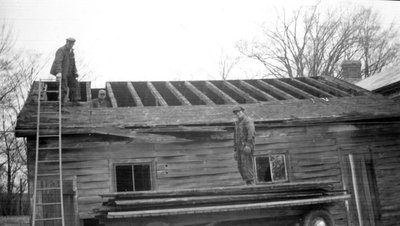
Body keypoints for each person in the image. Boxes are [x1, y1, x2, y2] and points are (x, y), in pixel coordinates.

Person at [50, 37, 80, 103]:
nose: (71, 45)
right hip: (63, 73)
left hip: (70, 73)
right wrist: (58, 72)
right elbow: (58, 61)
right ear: (67, 43)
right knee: (63, 88)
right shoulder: (61, 50)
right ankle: (61, 104)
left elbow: (73, 63)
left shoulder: (72, 52)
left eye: (73, 44)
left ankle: (75, 102)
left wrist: (75, 71)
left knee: (75, 85)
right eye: (70, 43)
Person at [233, 106, 256, 185]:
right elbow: (235, 137)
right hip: (239, 148)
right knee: (241, 167)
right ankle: (248, 184)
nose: (238, 114)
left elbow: (251, 134)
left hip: (246, 147)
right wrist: (235, 150)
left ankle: (252, 185)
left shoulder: (248, 121)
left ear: (243, 112)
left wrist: (249, 145)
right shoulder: (237, 123)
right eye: (236, 113)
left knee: (247, 165)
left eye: (239, 112)